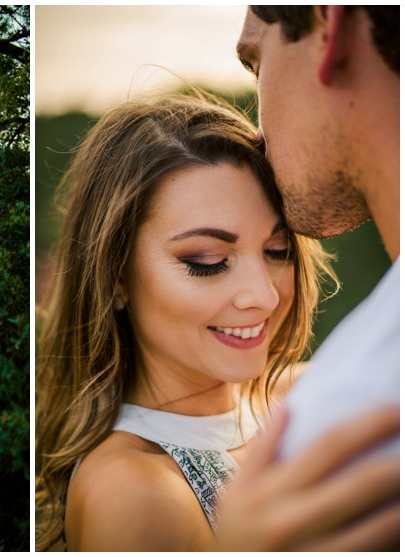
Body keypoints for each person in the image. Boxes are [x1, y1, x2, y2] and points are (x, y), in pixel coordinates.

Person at [35, 94, 339, 550]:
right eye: (208, 261)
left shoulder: (310, 397)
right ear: (117, 279)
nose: (263, 295)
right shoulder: (132, 493)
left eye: (276, 251)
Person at [215, 6, 400, 550]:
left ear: (328, 24)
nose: (258, 129)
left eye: (255, 64)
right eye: (206, 260)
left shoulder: (333, 444)